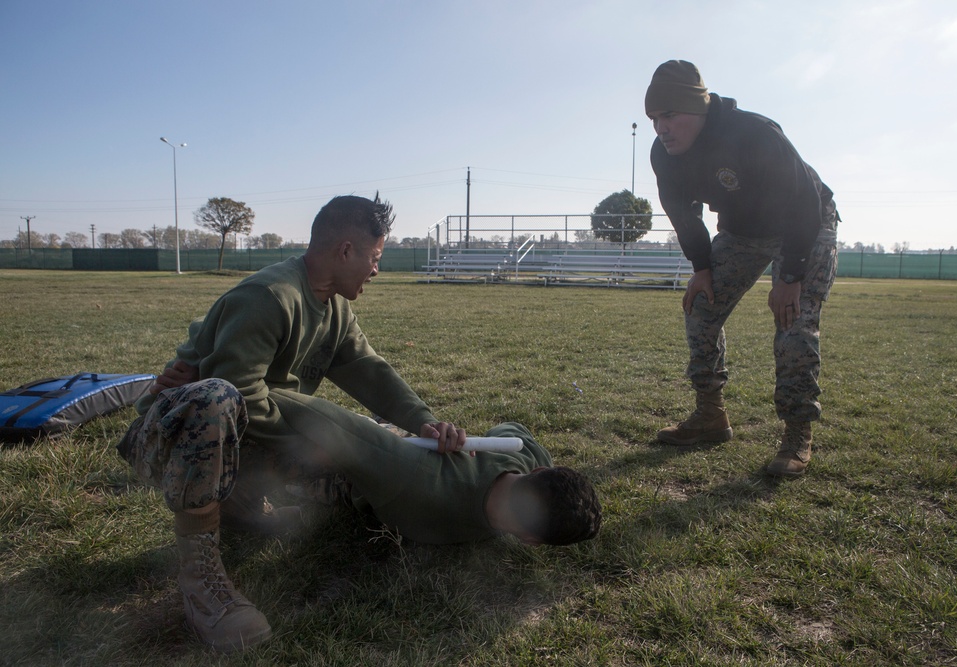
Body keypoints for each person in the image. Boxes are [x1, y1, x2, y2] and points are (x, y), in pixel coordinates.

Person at [117, 194, 601, 653]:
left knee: (366, 467)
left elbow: (371, 373)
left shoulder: (334, 309)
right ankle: (201, 578)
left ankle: (240, 504)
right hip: (177, 438)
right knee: (218, 397)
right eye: (374, 257)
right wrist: (309, 443)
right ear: (345, 249)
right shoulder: (270, 297)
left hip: (247, 437)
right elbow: (239, 395)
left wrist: (425, 423)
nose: (376, 268)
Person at [644, 60, 839, 478]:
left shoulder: (752, 133)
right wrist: (701, 268)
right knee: (701, 308)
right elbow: (684, 215)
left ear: (698, 109)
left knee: (794, 323)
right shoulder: (665, 155)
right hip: (742, 231)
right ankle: (710, 416)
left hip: (805, 222)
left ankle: (797, 433)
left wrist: (791, 277)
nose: (661, 127)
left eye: (670, 115)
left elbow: (804, 198)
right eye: (654, 118)